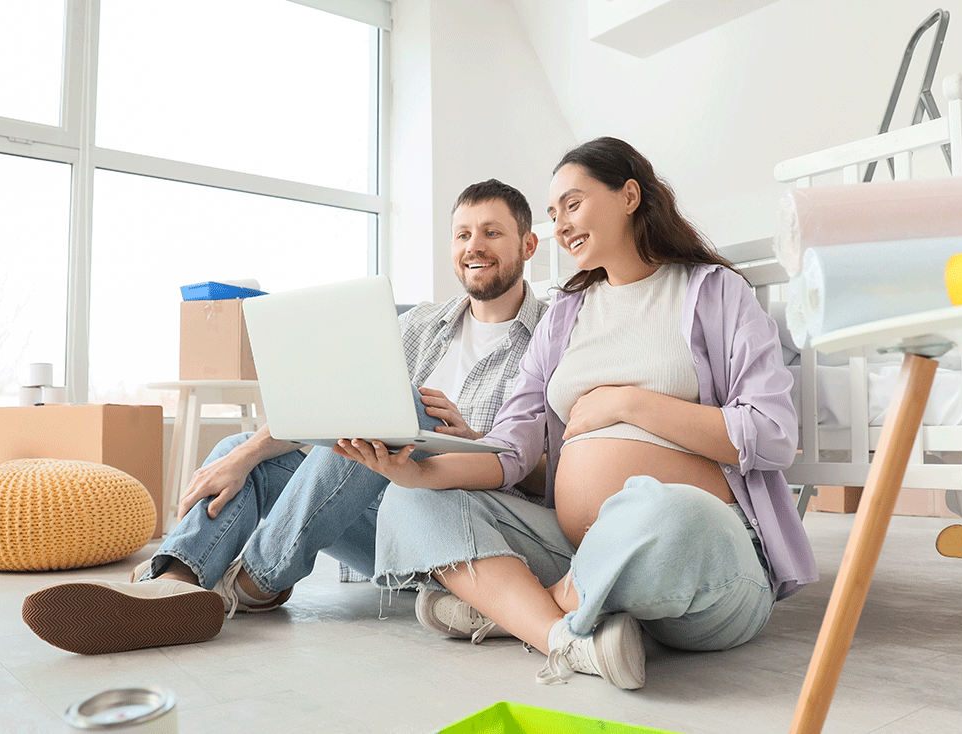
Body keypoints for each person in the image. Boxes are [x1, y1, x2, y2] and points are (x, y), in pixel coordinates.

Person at [336, 137, 818, 690]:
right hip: (574, 549)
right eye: (553, 213)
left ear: (630, 195)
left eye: (574, 203)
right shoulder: (563, 314)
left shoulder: (713, 292)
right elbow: (512, 450)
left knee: (665, 511)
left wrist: (626, 402)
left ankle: (522, 609)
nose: (561, 225)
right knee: (411, 502)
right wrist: (419, 472)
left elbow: (773, 435)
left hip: (700, 552)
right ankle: (568, 639)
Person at [22, 179, 549, 655]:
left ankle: (253, 582)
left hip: (448, 528)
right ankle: (175, 587)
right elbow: (337, 404)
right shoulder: (421, 324)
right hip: (368, 509)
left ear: (527, 245)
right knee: (237, 453)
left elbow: (550, 471)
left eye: (491, 232)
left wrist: (471, 441)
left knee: (407, 408)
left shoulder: (551, 334)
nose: (473, 246)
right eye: (461, 234)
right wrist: (250, 450)